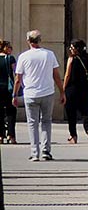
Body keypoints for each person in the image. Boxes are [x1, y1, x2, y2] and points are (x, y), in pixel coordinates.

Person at [12, 30, 64, 161]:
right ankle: (46, 151)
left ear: (28, 41)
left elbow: (18, 78)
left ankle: (35, 153)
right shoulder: (49, 55)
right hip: (47, 92)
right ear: (40, 40)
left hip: (30, 93)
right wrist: (62, 91)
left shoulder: (23, 57)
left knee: (32, 123)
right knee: (46, 121)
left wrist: (14, 95)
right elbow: (56, 75)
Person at [62, 39, 88, 144]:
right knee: (85, 112)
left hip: (72, 88)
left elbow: (67, 75)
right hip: (84, 88)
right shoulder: (87, 59)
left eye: (72, 48)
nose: (70, 49)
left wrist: (63, 88)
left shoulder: (72, 59)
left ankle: (73, 136)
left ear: (76, 49)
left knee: (71, 113)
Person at [0, 39, 16, 145]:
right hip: (8, 88)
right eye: (9, 47)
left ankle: (0, 136)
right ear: (4, 47)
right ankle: (11, 135)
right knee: (11, 111)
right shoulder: (10, 58)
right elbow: (16, 72)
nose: (10, 49)